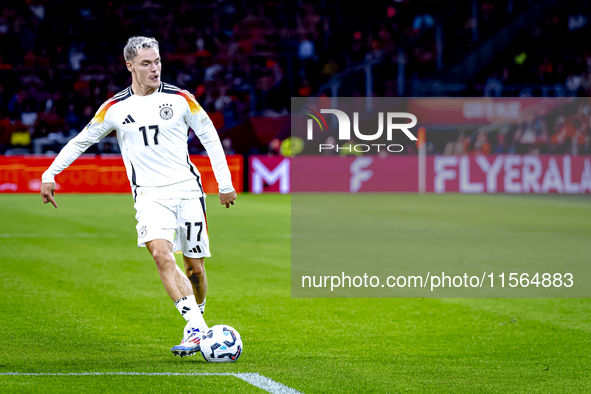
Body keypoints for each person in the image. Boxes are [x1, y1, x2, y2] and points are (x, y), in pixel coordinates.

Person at [39, 36, 237, 357]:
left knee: (195, 270)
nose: (154, 68)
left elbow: (211, 138)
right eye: (146, 63)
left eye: (157, 61)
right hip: (148, 196)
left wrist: (224, 183)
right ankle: (198, 328)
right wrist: (50, 174)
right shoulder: (115, 108)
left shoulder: (181, 99)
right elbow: (79, 141)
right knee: (161, 255)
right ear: (130, 65)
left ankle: (197, 320)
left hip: (188, 192)